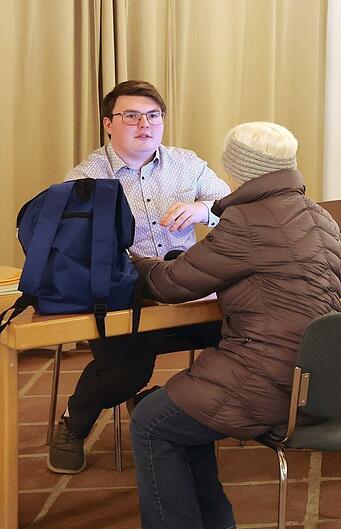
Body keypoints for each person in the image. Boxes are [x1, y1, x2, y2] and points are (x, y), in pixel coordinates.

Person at [129, 122, 341, 529]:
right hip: (320, 378)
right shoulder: (318, 214)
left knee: (152, 420)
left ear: (236, 167)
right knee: (178, 406)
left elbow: (170, 284)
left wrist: (133, 260)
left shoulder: (245, 221)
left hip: (269, 378)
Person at [48, 80, 232, 474]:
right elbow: (72, 246)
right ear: (108, 124)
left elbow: (230, 207)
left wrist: (204, 209)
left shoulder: (188, 163)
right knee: (125, 372)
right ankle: (72, 425)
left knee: (243, 335)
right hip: (123, 299)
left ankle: (168, 404)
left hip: (186, 292)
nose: (144, 124)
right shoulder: (87, 177)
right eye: (130, 116)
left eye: (153, 116)